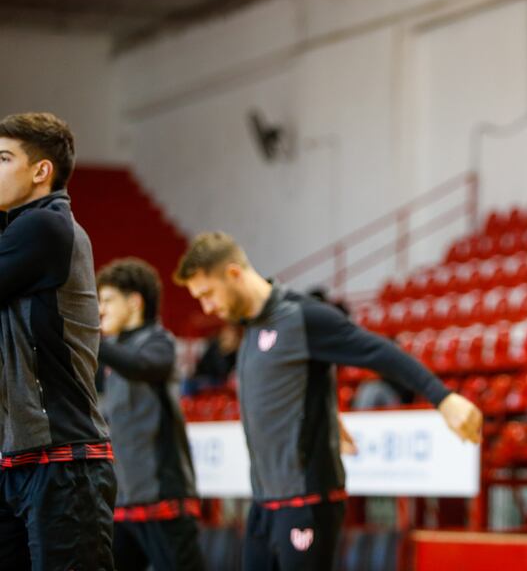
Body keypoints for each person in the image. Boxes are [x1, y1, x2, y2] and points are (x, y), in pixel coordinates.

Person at [173, 232, 482, 571]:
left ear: (233, 274)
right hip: (263, 502)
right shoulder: (251, 329)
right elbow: (296, 384)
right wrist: (328, 414)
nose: (207, 307)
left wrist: (443, 398)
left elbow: (377, 351)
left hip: (307, 498)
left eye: (208, 294)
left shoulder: (301, 316)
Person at [0, 112, 115, 570]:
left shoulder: (45, 225)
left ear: (41, 171)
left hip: (64, 463)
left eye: (4, 158)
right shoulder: (17, 232)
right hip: (21, 461)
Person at [97, 258, 205, 571]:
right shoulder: (112, 350)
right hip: (122, 500)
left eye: (107, 300)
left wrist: (91, 340)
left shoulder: (160, 342)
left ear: (134, 302)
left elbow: (143, 366)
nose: (100, 309)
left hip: (163, 497)